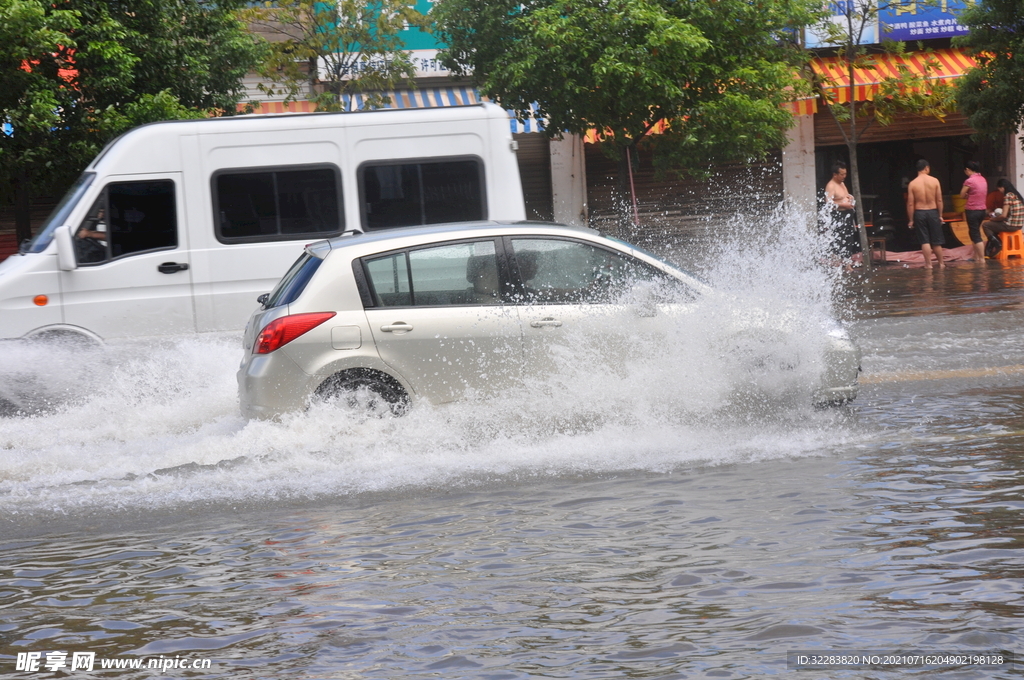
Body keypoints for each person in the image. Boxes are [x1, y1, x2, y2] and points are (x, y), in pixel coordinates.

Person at [906, 159, 945, 269]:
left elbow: (910, 204)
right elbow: (939, 200)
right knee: (937, 241)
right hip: (933, 211)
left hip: (920, 212)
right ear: (926, 168)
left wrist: (911, 219)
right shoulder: (935, 181)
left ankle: (929, 265)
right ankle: (941, 263)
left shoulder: (913, 184)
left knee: (925, 240)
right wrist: (940, 215)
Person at [824, 161, 860, 259]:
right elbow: (828, 203)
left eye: (845, 174)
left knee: (849, 239)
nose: (844, 176)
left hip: (847, 214)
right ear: (835, 174)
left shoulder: (842, 184)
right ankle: (837, 262)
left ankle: (847, 262)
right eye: (842, 174)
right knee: (839, 240)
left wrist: (850, 200)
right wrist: (843, 205)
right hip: (838, 215)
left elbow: (846, 196)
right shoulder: (831, 186)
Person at [981, 179, 1024, 255]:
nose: (1000, 191)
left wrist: (993, 219)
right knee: (994, 227)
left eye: (999, 189)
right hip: (1019, 225)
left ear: (1002, 187)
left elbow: (1003, 215)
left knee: (986, 225)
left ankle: (998, 244)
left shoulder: (1008, 196)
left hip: (1011, 225)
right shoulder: (1017, 196)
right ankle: (990, 251)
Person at [959, 161, 988, 261]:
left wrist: (968, 195)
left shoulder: (970, 181)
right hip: (982, 210)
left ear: (967, 169)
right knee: (974, 232)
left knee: (975, 234)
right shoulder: (983, 179)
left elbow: (962, 195)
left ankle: (981, 259)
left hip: (972, 210)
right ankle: (976, 256)